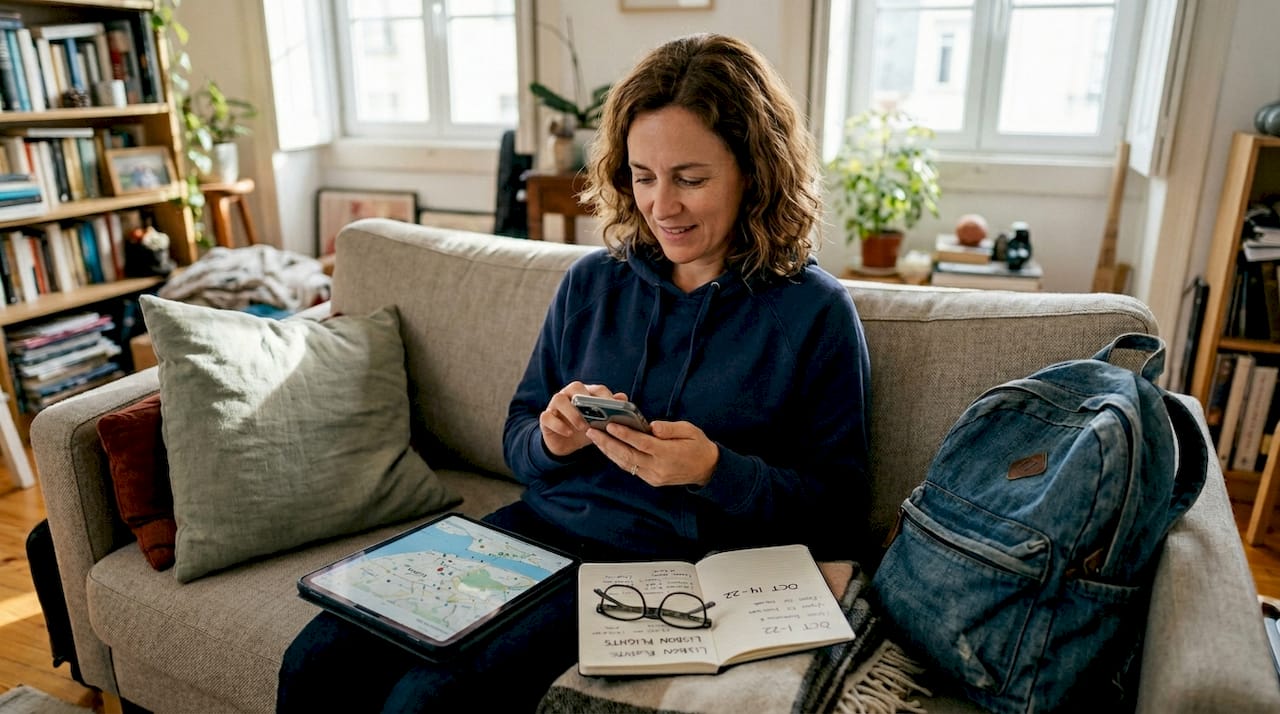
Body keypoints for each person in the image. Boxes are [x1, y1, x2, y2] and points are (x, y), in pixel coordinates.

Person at [277, 32, 870, 713]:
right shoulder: (592, 283)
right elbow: (519, 436)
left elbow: (839, 509)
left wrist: (714, 470)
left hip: (659, 572)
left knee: (428, 702)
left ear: (755, 173)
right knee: (315, 660)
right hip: (535, 531)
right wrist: (551, 440)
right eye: (643, 177)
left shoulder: (813, 313)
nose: (661, 206)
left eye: (691, 179)